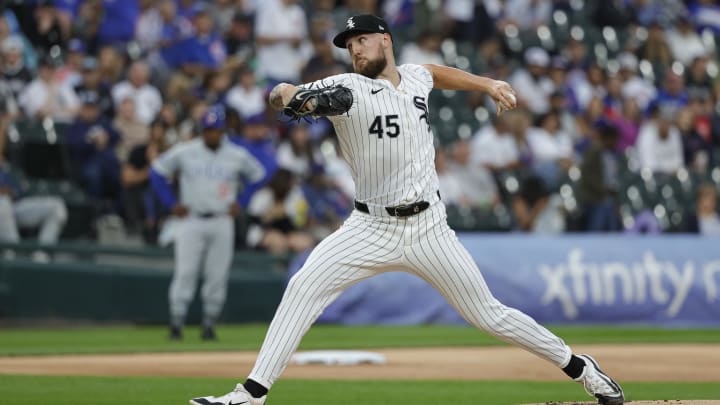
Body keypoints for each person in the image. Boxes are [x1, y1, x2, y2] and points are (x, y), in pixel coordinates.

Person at [189, 14, 625, 405]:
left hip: (429, 228)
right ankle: (251, 394)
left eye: (361, 39)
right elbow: (283, 93)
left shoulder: (415, 76)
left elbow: (437, 73)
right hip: (368, 226)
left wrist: (487, 83)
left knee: (490, 315)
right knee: (304, 285)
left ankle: (581, 367)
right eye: (348, 44)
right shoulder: (348, 88)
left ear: (385, 40)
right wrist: (289, 97)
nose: (354, 48)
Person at [150, 106, 265, 341]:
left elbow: (259, 175)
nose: (213, 134)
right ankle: (176, 322)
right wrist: (171, 203)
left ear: (224, 131)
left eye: (217, 130)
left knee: (217, 274)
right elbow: (156, 172)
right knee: (186, 272)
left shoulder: (236, 154)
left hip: (222, 219)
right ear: (203, 130)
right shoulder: (184, 151)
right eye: (209, 130)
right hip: (191, 219)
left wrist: (241, 201)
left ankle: (209, 324)